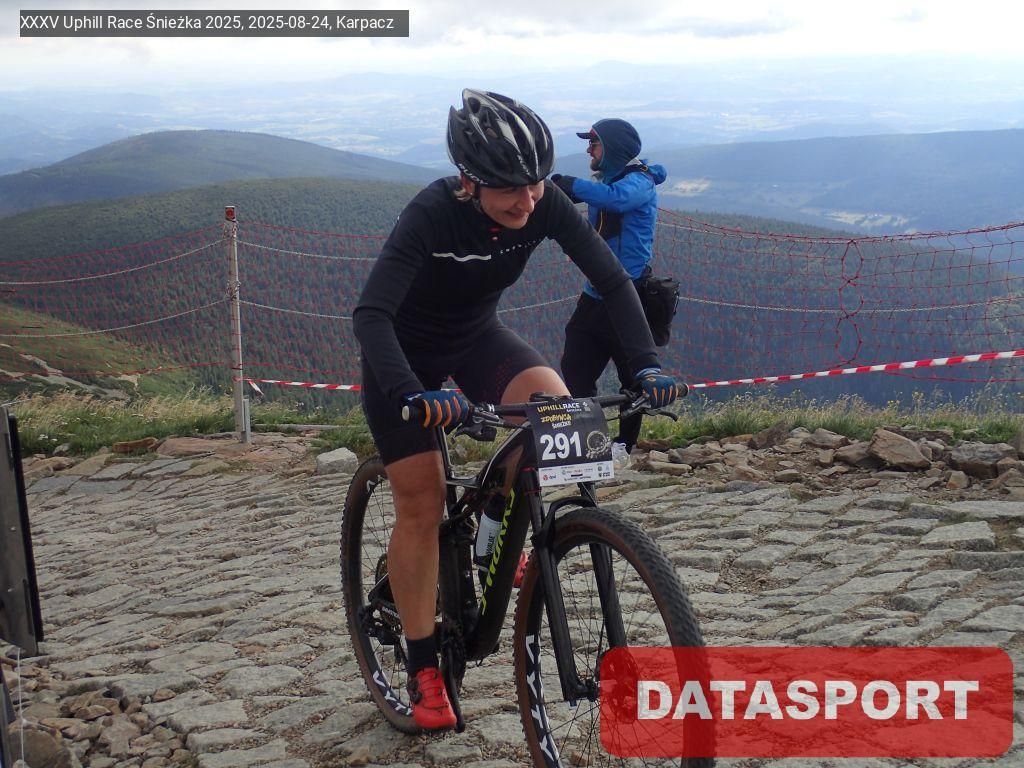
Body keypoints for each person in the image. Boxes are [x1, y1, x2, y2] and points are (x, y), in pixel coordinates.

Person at [352, 90, 680, 732]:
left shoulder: (543, 201)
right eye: (510, 189)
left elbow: (613, 281)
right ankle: (423, 667)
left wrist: (644, 365)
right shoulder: (432, 213)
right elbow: (371, 315)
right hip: (403, 357)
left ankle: (500, 539)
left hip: (476, 337)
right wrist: (413, 394)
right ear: (469, 180)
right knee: (421, 502)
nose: (528, 201)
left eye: (535, 183)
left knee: (563, 418)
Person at [551, 118, 669, 454]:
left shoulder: (639, 182)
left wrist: (571, 185)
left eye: (594, 143)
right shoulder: (606, 181)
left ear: (613, 147)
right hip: (595, 293)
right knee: (575, 367)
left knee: (632, 376)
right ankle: (590, 442)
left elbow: (616, 200)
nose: (589, 149)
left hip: (630, 293)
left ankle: (624, 446)